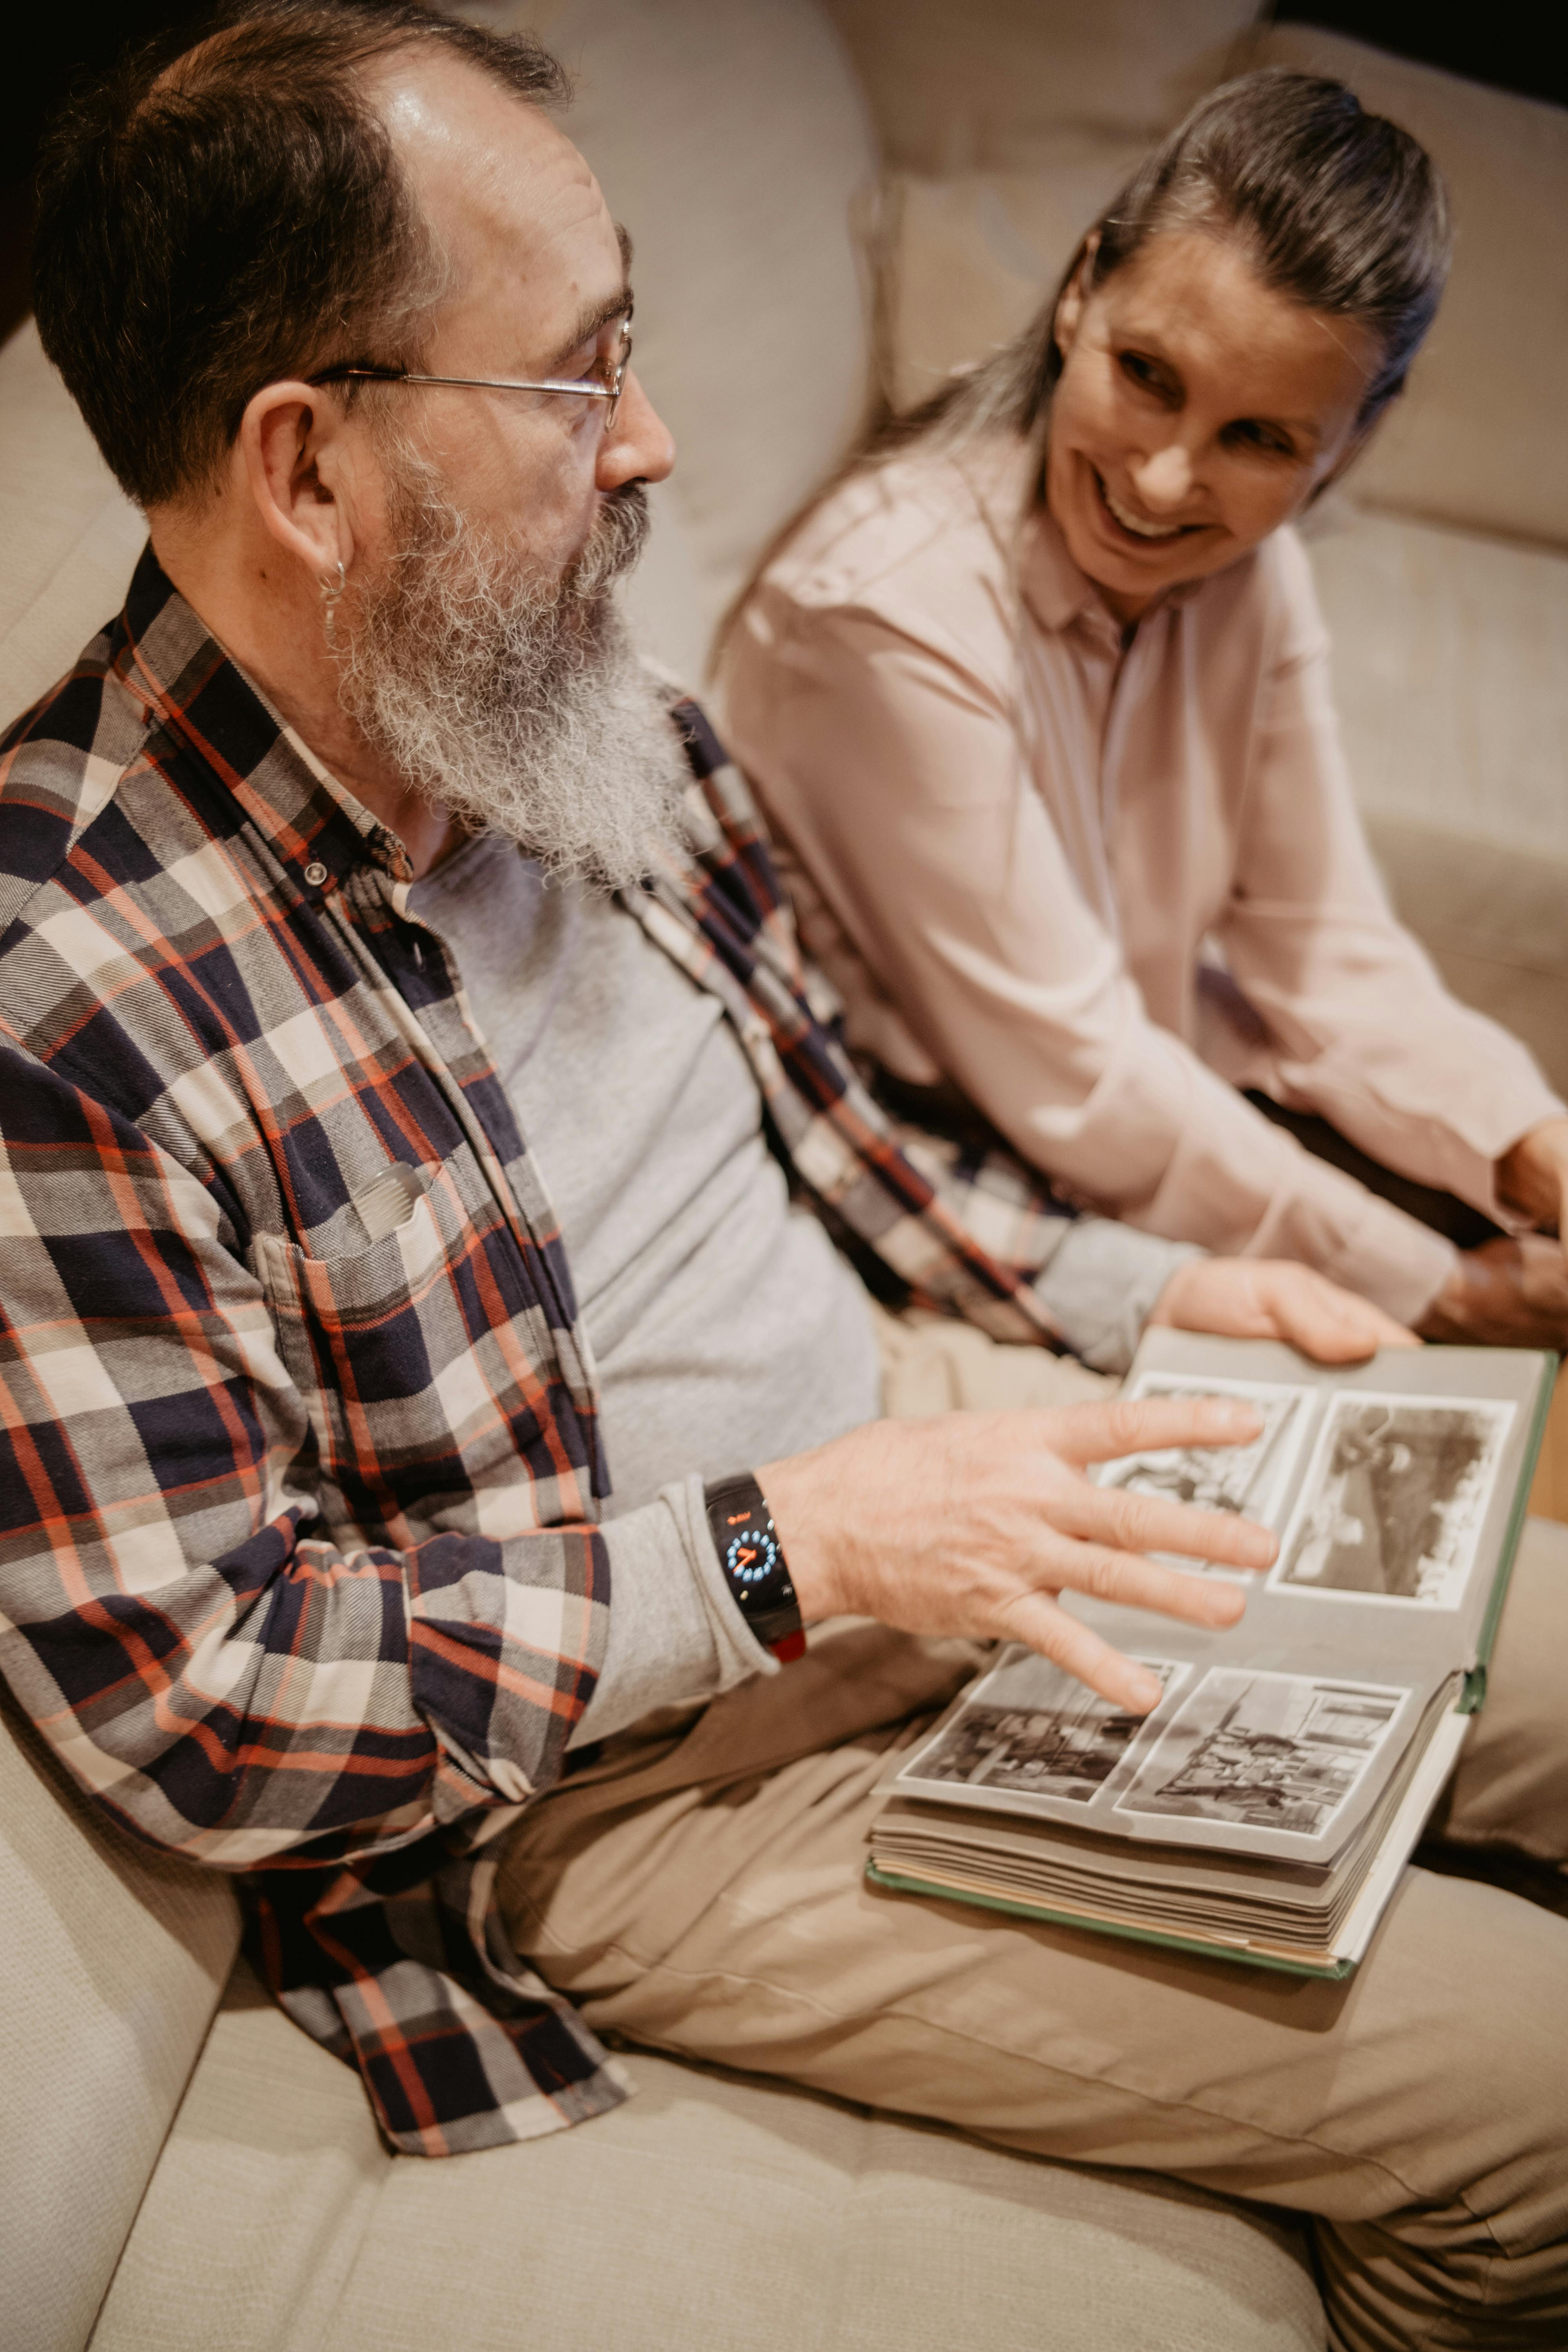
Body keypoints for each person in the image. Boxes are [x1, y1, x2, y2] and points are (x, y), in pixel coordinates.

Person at [2, 11, 1563, 2345]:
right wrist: (786, 1552)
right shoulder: (67, 1002)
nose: (658, 443)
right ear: (308, 473)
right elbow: (210, 1697)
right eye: (579, 377)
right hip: (656, 1788)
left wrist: (1139, 1293)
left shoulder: (544, 689)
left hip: (939, 1437)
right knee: (1547, 2104)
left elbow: (843, 1121)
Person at [720, 68, 1568, 1352]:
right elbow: (1080, 1078)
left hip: (1130, 1090)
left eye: (1262, 440)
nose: (1165, 482)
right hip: (928, 1159)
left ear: (1350, 445)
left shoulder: (1250, 568)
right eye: (1147, 374)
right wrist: (1433, 1287)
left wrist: (1526, 1148)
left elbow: (1320, 946)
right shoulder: (885, 619)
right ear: (1080, 293)